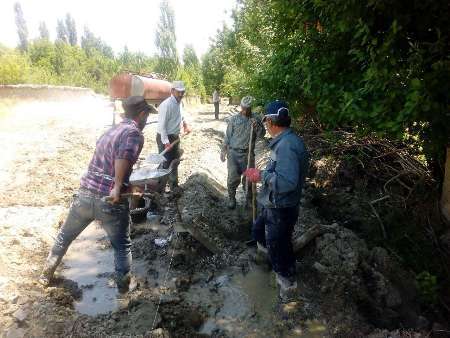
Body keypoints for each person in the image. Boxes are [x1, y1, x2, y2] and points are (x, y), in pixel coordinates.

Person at [39, 96, 155, 292]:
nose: (146, 121)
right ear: (142, 114)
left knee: (64, 237)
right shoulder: (134, 133)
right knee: (122, 247)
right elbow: (123, 157)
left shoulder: (110, 130)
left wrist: (128, 186)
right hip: (109, 201)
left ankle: (45, 276)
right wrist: (119, 187)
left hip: (84, 195)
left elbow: (105, 165)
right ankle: (123, 289)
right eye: (147, 116)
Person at [244, 100, 310, 301]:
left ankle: (287, 285)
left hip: (282, 206)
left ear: (272, 122)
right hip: (273, 202)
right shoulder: (284, 141)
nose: (265, 126)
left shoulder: (287, 146)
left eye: (266, 122)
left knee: (279, 246)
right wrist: (263, 174)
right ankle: (266, 259)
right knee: (258, 230)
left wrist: (260, 176)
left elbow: (288, 182)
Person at [221, 96, 265, 209]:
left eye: (248, 109)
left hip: (248, 154)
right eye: (244, 108)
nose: (245, 111)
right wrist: (223, 150)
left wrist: (257, 127)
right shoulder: (234, 119)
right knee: (232, 178)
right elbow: (227, 136)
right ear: (241, 107)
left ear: (251, 108)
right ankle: (232, 198)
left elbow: (262, 135)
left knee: (249, 178)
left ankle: (249, 200)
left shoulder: (256, 119)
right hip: (233, 154)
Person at [156, 80, 191, 191]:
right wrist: (166, 142)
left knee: (175, 161)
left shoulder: (179, 103)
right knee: (165, 164)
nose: (181, 94)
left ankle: (174, 186)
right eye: (178, 92)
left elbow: (181, 114)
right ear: (172, 91)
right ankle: (160, 189)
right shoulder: (166, 105)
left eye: (183, 92)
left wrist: (185, 124)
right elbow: (162, 126)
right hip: (164, 137)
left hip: (175, 137)